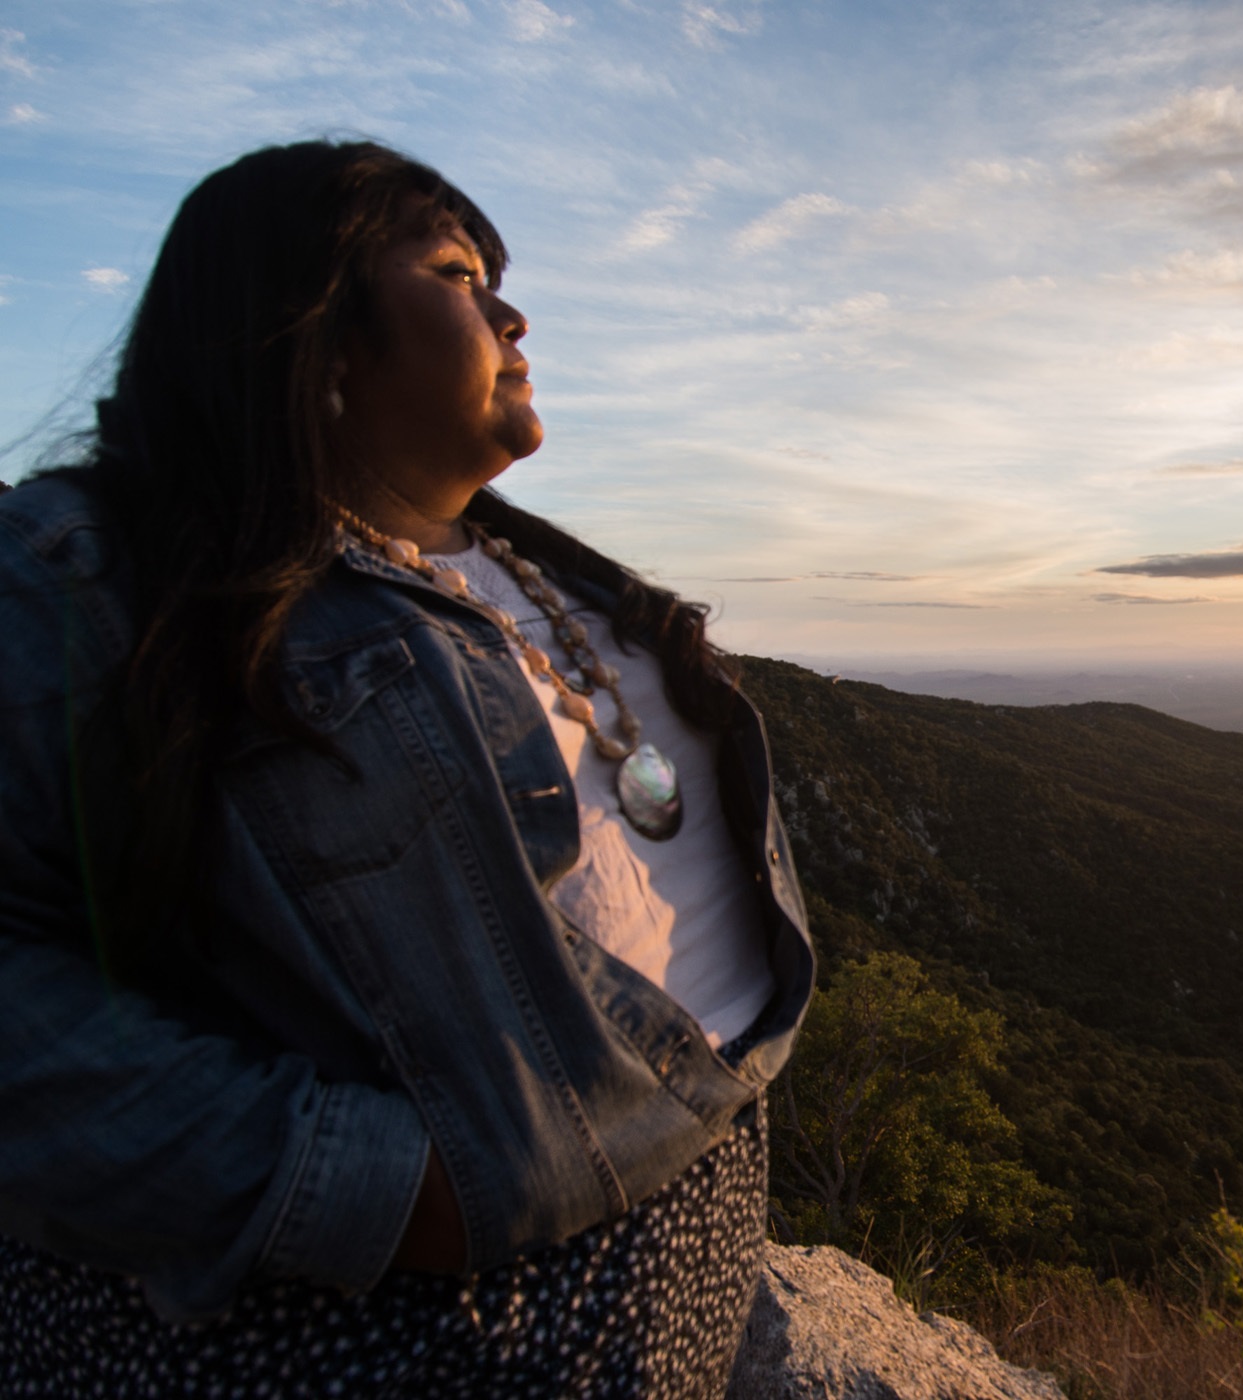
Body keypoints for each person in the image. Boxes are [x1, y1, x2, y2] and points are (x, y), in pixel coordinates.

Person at [0, 140, 813, 1395]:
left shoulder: (525, 564)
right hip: (368, 1341)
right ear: (314, 335)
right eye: (456, 270)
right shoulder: (91, 572)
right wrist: (363, 1180)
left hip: (671, 1285)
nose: (511, 310)